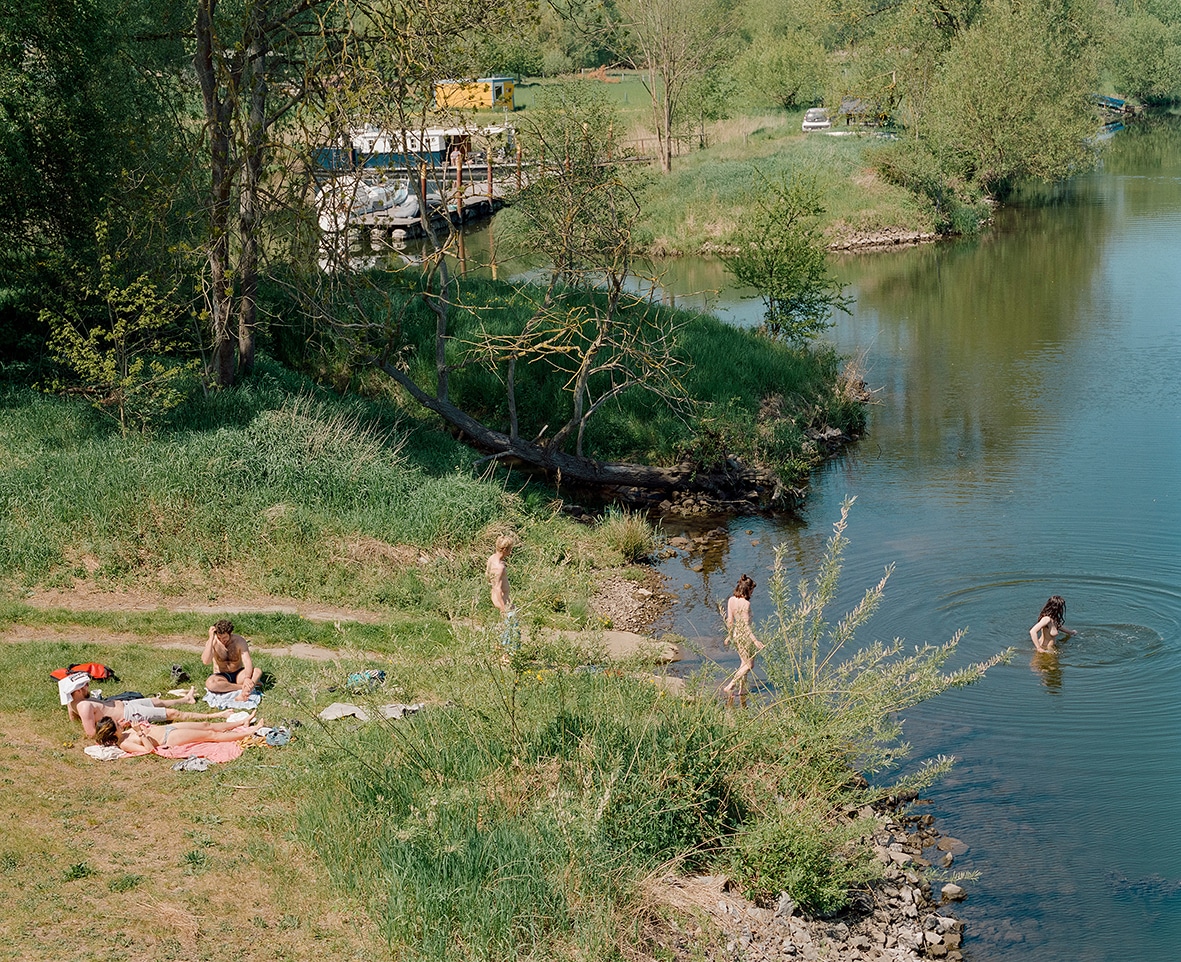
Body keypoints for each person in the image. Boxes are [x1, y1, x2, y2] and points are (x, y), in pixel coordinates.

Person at [60, 674, 232, 740]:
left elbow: (72, 714)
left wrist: (73, 723)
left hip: (126, 705)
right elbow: (91, 733)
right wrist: (118, 727)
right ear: (78, 690)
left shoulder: (72, 701)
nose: (88, 687)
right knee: (173, 713)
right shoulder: (84, 705)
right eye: (85, 686)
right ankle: (215, 716)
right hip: (130, 714)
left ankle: (186, 699)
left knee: (156, 701)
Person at [93, 716, 261, 752]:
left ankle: (241, 722)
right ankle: (249, 732)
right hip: (168, 738)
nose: (120, 723)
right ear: (113, 731)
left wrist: (135, 726)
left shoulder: (125, 733)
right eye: (117, 725)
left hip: (167, 728)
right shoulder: (124, 744)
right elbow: (149, 750)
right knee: (210, 735)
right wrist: (140, 733)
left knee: (206, 725)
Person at [723, 574, 766, 707]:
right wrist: (755, 641)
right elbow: (746, 627)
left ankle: (742, 690)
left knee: (743, 663)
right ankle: (731, 685)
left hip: (736, 634)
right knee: (749, 665)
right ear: (748, 589)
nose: (752, 593)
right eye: (752, 590)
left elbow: (730, 621)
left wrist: (729, 635)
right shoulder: (746, 604)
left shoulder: (731, 600)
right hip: (745, 636)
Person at [202, 620, 262, 703]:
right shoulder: (213, 642)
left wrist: (247, 678)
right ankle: (244, 687)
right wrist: (211, 638)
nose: (222, 640)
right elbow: (206, 661)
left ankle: (243, 690)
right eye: (219, 637)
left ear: (230, 634)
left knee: (257, 671)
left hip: (238, 673)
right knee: (211, 684)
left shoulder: (239, 641)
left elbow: (247, 660)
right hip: (221, 676)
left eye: (224, 637)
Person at [486, 534, 519, 654]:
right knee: (511, 624)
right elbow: (498, 588)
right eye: (510, 549)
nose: (511, 551)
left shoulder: (492, 558)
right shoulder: (500, 567)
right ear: (505, 549)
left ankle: (499, 649)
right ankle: (507, 654)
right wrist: (503, 608)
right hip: (501, 598)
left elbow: (488, 576)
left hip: (497, 596)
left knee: (505, 624)